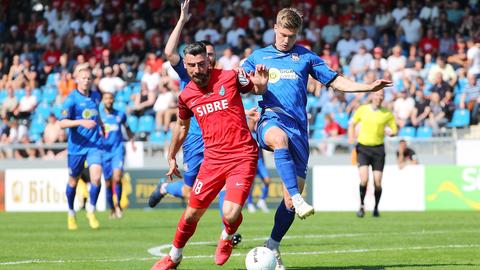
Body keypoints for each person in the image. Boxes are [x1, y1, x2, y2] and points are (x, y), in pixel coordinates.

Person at [242, 8, 392, 269]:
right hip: (270, 119)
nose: (286, 40)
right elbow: (238, 83)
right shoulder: (258, 57)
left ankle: (273, 245)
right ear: (275, 27)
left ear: (297, 34)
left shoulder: (305, 57)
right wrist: (257, 89)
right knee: (279, 141)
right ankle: (298, 199)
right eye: (283, 34)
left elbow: (335, 81)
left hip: (299, 129)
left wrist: (368, 87)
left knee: (288, 203)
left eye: (292, 35)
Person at [150, 41, 268, 270]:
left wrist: (261, 86)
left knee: (231, 213)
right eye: (192, 65)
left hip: (242, 156)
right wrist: (172, 155)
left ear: (209, 61)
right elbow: (182, 127)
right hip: (212, 160)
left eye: (201, 63)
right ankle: (173, 257)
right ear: (186, 64)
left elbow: (256, 89)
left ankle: (226, 236)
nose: (197, 69)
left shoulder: (231, 76)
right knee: (191, 213)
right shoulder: (186, 96)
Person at [148, 0, 244, 247]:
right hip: (194, 141)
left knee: (225, 188)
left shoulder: (223, 78)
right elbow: (170, 53)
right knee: (191, 193)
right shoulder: (189, 74)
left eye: (210, 57)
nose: (206, 62)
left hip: (222, 143)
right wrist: (182, 20)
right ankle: (166, 189)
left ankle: (228, 234)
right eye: (204, 56)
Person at [59, 63, 104, 230]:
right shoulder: (71, 99)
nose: (86, 81)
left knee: (96, 177)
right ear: (77, 79)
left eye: (89, 78)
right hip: (76, 147)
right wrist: (80, 122)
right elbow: (62, 123)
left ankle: (91, 210)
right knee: (73, 181)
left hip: (94, 145)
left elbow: (97, 114)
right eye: (83, 78)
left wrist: (102, 125)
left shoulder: (95, 96)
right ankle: (71, 213)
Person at [348, 90, 398, 218]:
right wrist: (351, 137)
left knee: (377, 181)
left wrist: (391, 133)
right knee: (364, 179)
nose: (379, 97)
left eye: (381, 95)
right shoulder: (363, 109)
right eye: (377, 94)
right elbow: (352, 123)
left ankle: (376, 207)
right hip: (363, 148)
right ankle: (362, 206)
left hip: (378, 149)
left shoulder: (387, 113)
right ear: (372, 96)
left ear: (383, 97)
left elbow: (394, 129)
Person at [100, 92, 136, 219]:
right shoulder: (99, 116)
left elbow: (127, 128)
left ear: (113, 100)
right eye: (106, 98)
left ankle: (118, 206)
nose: (109, 101)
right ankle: (112, 209)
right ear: (103, 101)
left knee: (117, 177)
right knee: (108, 183)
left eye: (110, 98)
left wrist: (132, 141)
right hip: (104, 152)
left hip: (117, 150)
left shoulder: (120, 114)